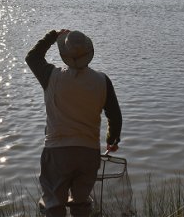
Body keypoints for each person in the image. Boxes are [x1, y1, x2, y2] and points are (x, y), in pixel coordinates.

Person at [26, 29, 122, 217]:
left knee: (54, 205)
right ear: (89, 53)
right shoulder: (102, 80)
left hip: (57, 152)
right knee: (80, 204)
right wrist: (112, 140)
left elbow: (32, 57)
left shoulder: (50, 75)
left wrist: (52, 36)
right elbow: (114, 115)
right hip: (88, 153)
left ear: (64, 55)